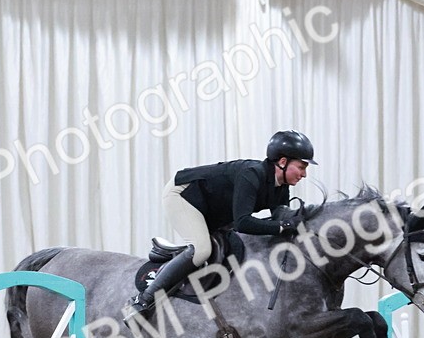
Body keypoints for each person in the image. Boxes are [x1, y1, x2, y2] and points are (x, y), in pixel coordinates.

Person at [125, 130, 316, 320]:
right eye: (301, 167)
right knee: (201, 251)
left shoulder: (281, 186)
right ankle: (143, 300)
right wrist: (283, 226)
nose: (304, 174)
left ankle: (180, 269)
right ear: (282, 162)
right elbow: (243, 223)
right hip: (183, 195)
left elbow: (279, 215)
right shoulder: (251, 174)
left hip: (211, 208)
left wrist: (300, 219)